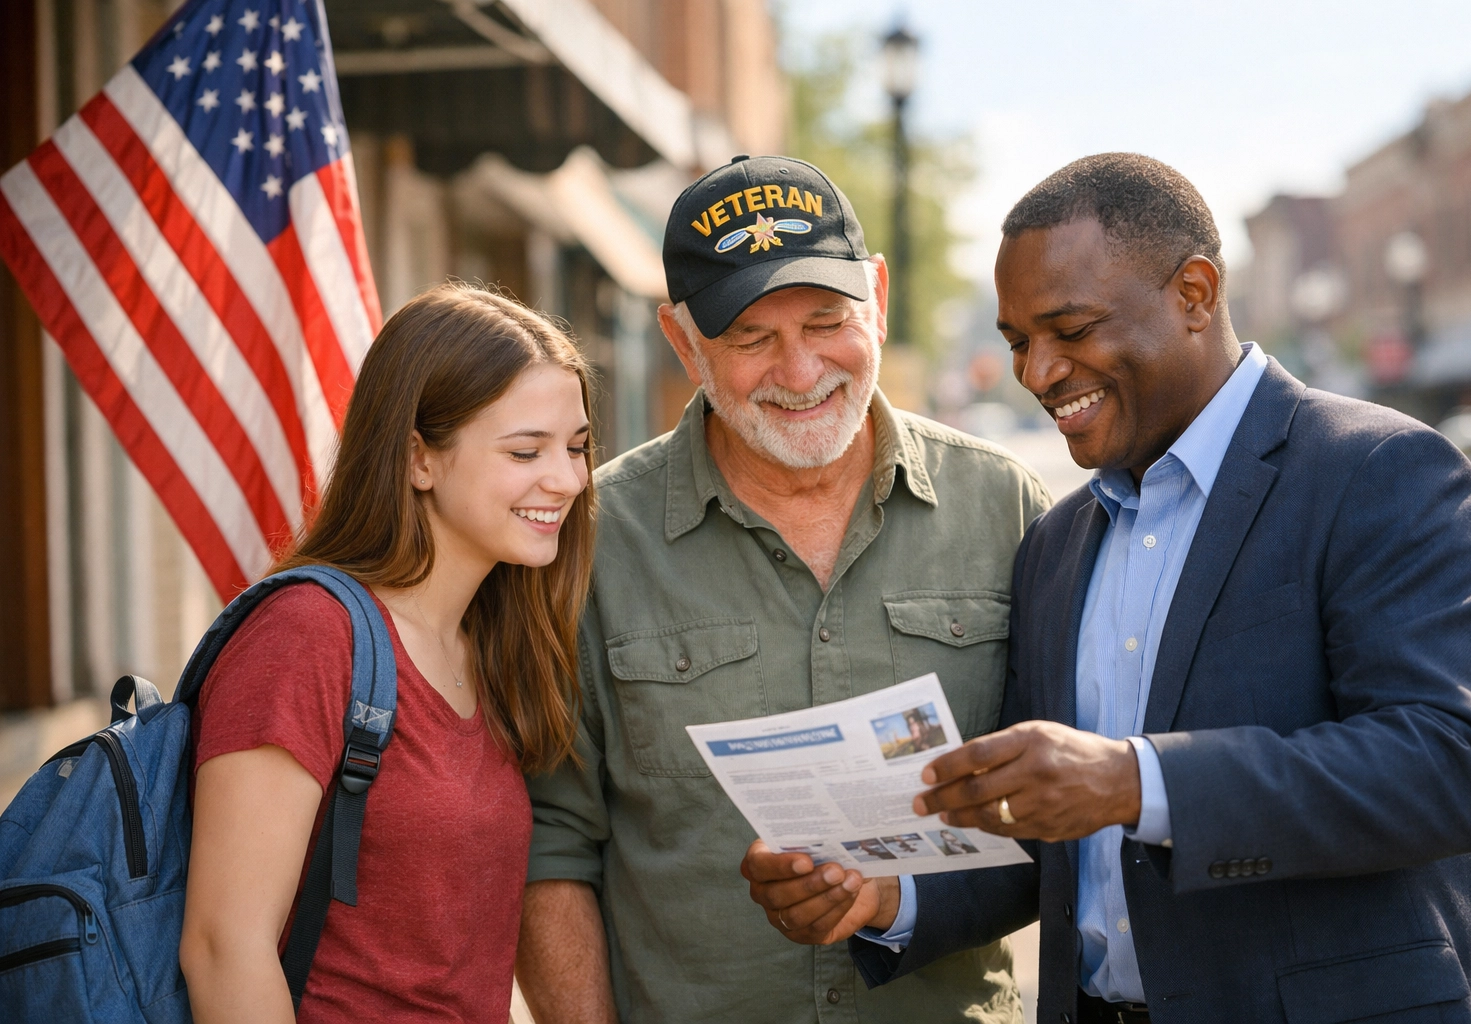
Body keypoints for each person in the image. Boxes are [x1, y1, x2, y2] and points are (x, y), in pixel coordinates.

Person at [745, 154, 1471, 1023]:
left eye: (1069, 329)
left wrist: (1135, 779)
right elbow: (1051, 839)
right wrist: (886, 903)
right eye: (1015, 343)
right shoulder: (1054, 543)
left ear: (1194, 293)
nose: (1037, 372)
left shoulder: (1382, 471)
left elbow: (1445, 768)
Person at [515, 155, 1052, 1024]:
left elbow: (1060, 815)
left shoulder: (1006, 508)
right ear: (684, 343)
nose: (801, 373)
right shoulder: (591, 538)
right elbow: (552, 839)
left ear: (876, 295)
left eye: (827, 321)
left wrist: (894, 900)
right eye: (751, 340)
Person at [179, 284, 597, 1023]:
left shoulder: (493, 644)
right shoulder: (306, 635)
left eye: (578, 447)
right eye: (526, 450)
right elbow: (223, 946)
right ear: (418, 460)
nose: (566, 479)